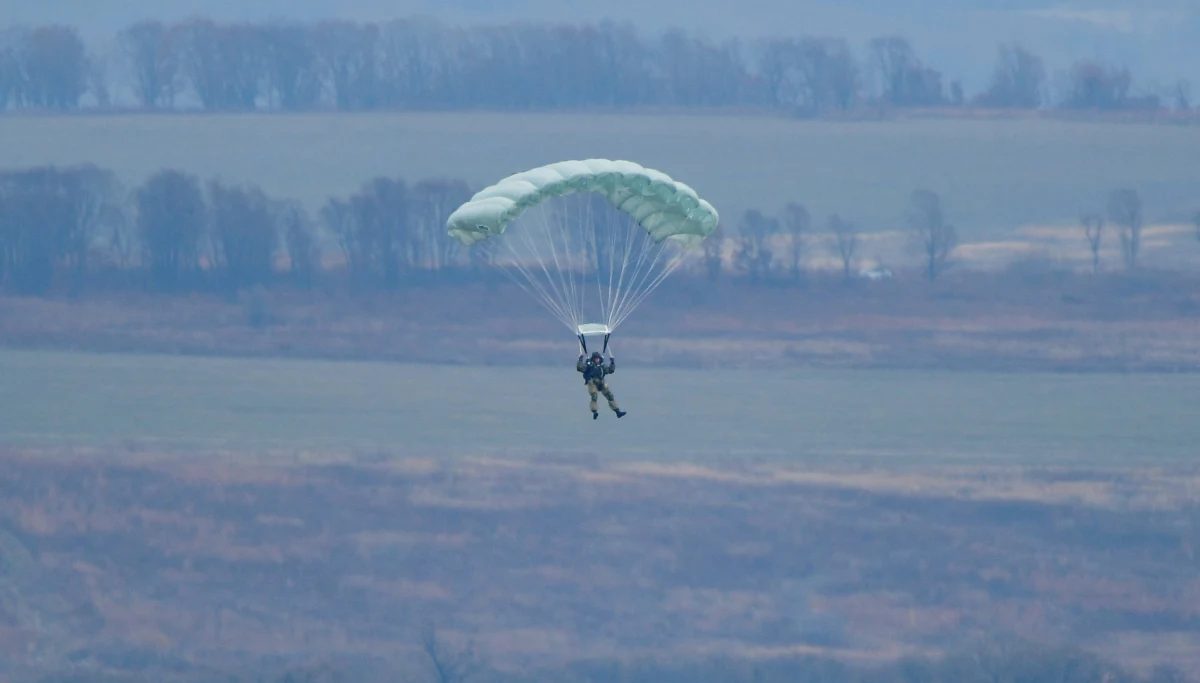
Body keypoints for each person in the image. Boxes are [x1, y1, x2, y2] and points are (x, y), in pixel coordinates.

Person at [576, 351, 626, 419]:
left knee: (610, 396)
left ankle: (617, 411)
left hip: (601, 382)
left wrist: (612, 362)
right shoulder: (589, 365)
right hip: (592, 383)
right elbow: (579, 368)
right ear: (593, 359)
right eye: (596, 358)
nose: (597, 360)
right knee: (594, 396)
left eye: (598, 358)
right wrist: (580, 359)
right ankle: (594, 411)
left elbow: (610, 370)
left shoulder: (602, 366)